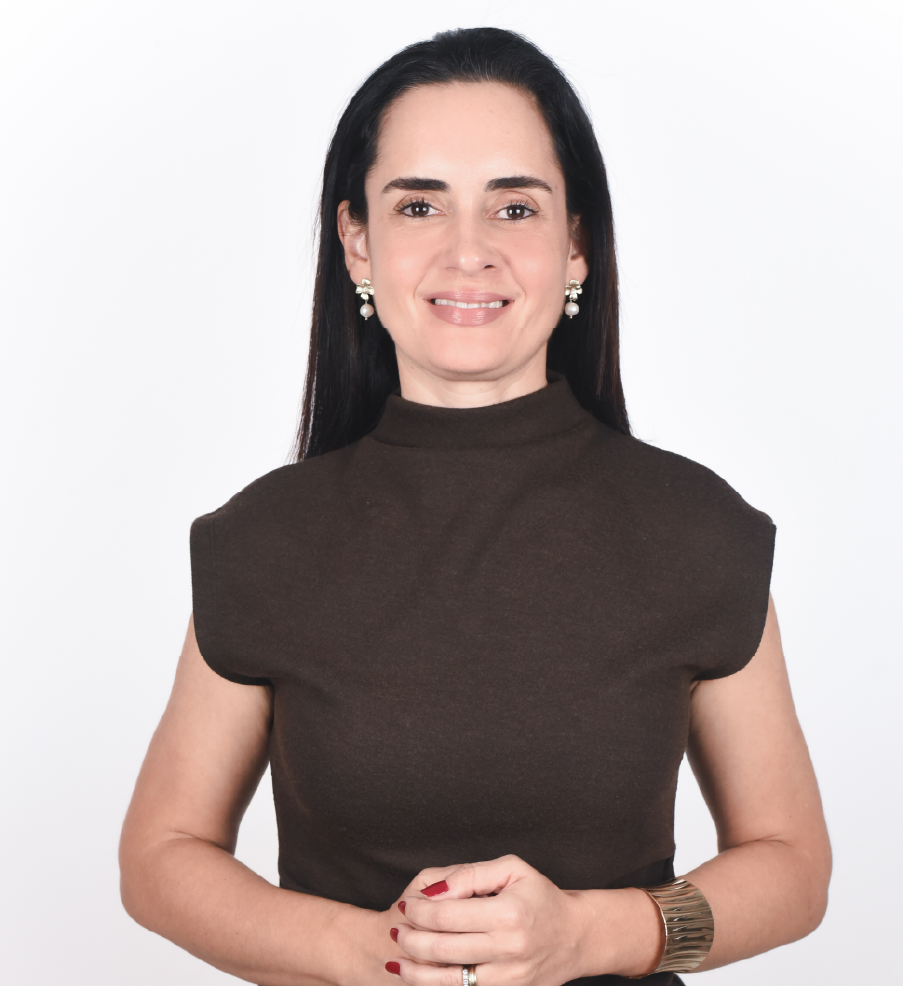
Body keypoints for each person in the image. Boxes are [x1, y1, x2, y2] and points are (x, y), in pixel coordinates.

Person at [119, 27, 831, 986]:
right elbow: (160, 858)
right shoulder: (262, 541)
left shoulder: (697, 530)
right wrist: (371, 952)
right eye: (419, 205)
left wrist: (593, 935)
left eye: (513, 207)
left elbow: (792, 867)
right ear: (357, 243)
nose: (468, 252)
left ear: (575, 244)